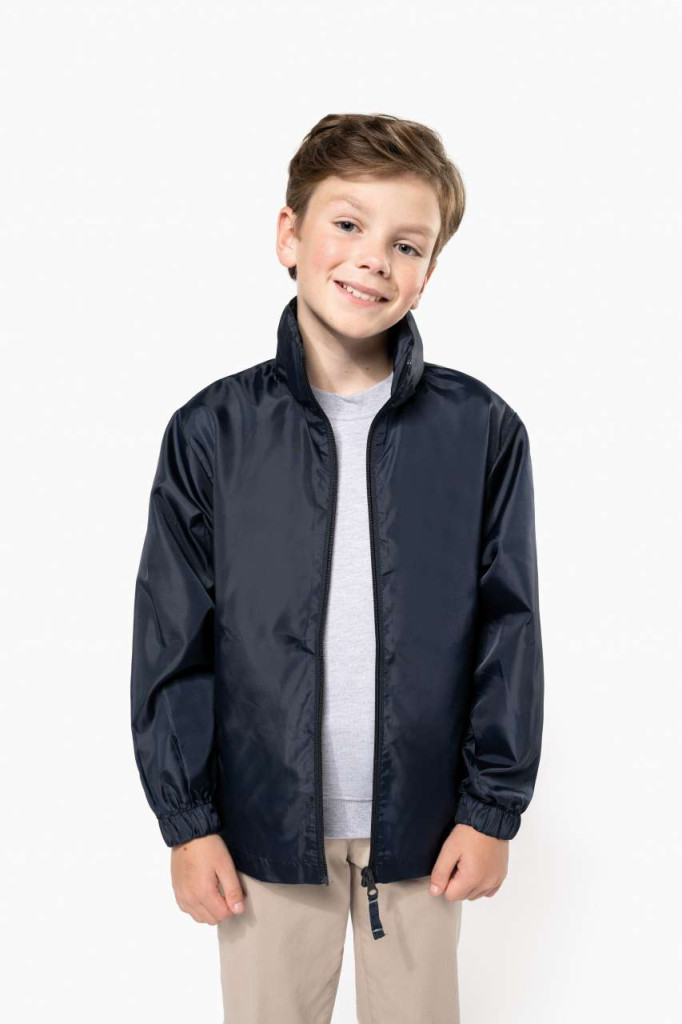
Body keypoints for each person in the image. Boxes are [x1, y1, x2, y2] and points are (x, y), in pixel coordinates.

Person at [130, 112, 544, 1024]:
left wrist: (490, 810)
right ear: (290, 234)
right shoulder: (213, 432)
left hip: (427, 832)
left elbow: (508, 626)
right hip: (262, 832)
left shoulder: (480, 432)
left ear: (428, 272)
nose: (373, 260)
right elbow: (173, 636)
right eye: (348, 224)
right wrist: (188, 823)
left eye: (406, 244)